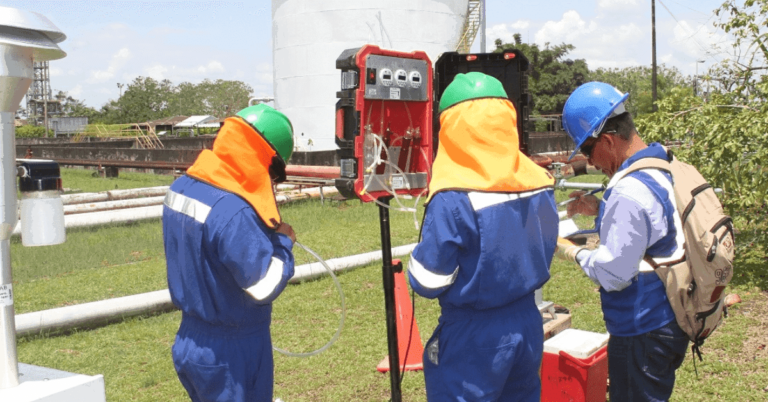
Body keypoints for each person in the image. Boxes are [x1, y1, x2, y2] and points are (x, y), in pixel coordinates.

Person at [408, 72, 558, 401]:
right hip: (527, 322)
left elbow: (429, 281)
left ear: (451, 128)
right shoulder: (538, 181)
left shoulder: (453, 196)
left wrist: (415, 263)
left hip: (473, 334)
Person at [558, 82, 689, 401]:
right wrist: (603, 209)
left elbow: (615, 273)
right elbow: (654, 224)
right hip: (671, 317)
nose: (591, 162)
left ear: (606, 140)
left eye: (588, 151)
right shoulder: (659, 164)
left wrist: (569, 251)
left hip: (643, 329)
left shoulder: (628, 190)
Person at [162, 104, 296, 402]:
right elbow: (263, 285)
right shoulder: (233, 211)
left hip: (191, 337)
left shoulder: (182, 186)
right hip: (231, 347)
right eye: (273, 173)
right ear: (264, 158)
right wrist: (283, 243)